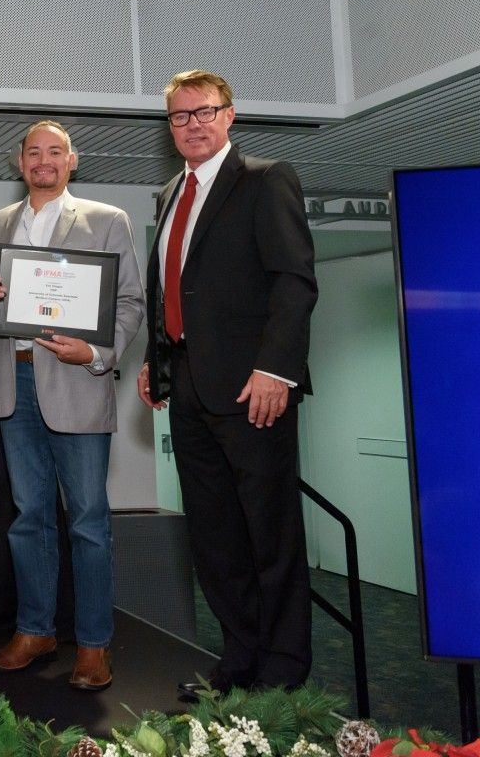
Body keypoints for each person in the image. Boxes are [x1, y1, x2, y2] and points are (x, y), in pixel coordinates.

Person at [136, 70, 317, 699]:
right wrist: (155, 360)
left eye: (204, 111)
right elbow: (173, 291)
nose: (192, 123)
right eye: (180, 116)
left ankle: (284, 669)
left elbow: (293, 283)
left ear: (230, 115)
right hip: (187, 389)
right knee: (214, 537)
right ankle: (239, 657)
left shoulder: (266, 181)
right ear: (170, 127)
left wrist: (276, 370)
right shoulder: (165, 195)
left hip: (253, 390)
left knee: (270, 533)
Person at [0, 121, 144, 692]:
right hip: (10, 382)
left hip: (78, 382)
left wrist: (95, 352)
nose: (43, 161)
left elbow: (131, 301)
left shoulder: (105, 220)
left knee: (89, 520)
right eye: (33, 152)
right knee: (29, 517)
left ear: (72, 161)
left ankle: (93, 644)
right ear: (19, 163)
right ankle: (35, 630)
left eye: (54, 152)